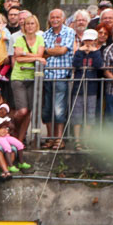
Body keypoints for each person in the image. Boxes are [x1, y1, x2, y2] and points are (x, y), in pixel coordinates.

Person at [42, 8, 76, 149]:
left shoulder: (69, 32)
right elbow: (41, 53)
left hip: (61, 76)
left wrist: (48, 50)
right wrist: (51, 51)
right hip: (47, 76)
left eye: (58, 17)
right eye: (52, 17)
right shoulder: (45, 34)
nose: (55, 19)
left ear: (63, 19)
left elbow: (63, 50)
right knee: (47, 109)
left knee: (59, 109)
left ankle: (59, 139)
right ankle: (50, 138)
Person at [10, 13, 44, 143]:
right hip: (19, 76)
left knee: (28, 111)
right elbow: (18, 58)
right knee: (22, 110)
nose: (30, 26)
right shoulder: (19, 39)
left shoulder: (40, 39)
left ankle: (19, 139)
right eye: (27, 24)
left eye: (32, 23)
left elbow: (40, 54)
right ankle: (11, 125)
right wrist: (34, 57)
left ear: (36, 25)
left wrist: (25, 54)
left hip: (32, 77)